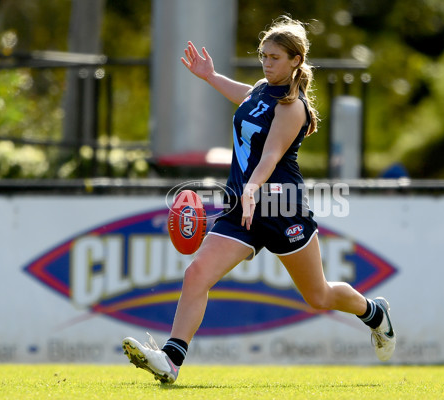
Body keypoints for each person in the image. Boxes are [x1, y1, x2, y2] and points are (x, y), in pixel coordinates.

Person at [122, 16, 395, 384]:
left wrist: (251, 190)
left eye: (275, 57)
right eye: (263, 56)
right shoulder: (260, 90)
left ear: (296, 60)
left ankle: (374, 313)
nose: (267, 63)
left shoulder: (292, 106)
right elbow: (245, 97)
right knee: (197, 273)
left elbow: (269, 157)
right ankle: (171, 360)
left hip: (283, 209)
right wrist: (210, 77)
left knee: (318, 295)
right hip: (242, 205)